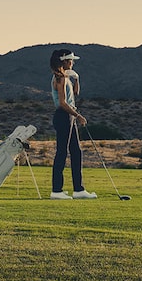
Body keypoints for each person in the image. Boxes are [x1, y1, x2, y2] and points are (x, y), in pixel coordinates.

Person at [48, 49, 96, 199]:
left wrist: (77, 79)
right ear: (64, 61)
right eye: (71, 60)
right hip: (64, 116)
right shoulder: (59, 78)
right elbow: (62, 103)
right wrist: (78, 116)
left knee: (76, 152)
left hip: (69, 116)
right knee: (62, 152)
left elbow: (75, 94)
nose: (73, 62)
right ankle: (56, 191)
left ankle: (79, 190)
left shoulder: (66, 77)